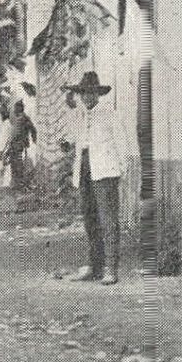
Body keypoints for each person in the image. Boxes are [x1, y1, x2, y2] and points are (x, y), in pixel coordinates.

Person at [67, 71, 124, 285]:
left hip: (105, 170)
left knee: (107, 220)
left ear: (98, 94)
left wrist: (118, 171)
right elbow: (77, 142)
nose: (87, 98)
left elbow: (121, 142)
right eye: (83, 93)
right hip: (85, 168)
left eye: (91, 93)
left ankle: (111, 268)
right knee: (90, 219)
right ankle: (95, 266)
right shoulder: (80, 116)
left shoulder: (109, 113)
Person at [2, 99, 39, 192]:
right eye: (14, 107)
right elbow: (13, 132)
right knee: (13, 162)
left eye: (16, 107)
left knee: (18, 163)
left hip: (20, 143)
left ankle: (20, 183)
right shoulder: (16, 118)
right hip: (13, 143)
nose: (14, 109)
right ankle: (15, 183)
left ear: (20, 108)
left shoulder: (25, 118)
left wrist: (33, 139)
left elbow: (32, 129)